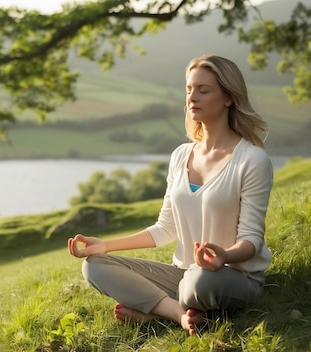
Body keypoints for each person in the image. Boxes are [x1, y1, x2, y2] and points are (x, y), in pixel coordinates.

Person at [67, 54, 274, 335]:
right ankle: (178, 314)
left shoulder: (252, 160)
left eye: (203, 90)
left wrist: (223, 256)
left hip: (232, 277)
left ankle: (151, 313)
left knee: (200, 281)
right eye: (189, 90)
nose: (192, 98)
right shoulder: (180, 156)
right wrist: (105, 246)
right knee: (95, 267)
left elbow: (251, 239)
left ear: (228, 97)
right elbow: (165, 228)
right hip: (183, 274)